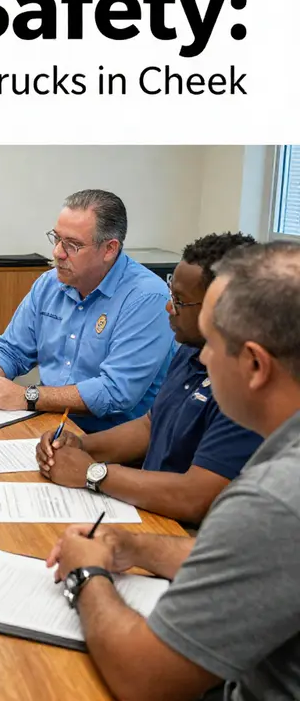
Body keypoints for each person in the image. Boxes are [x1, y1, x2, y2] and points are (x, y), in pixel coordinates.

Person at [46, 241, 300, 701]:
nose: (202, 360)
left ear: (256, 365)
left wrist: (87, 575)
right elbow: (247, 557)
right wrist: (134, 545)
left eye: (214, 347)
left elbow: (146, 679)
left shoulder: (276, 497)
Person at [36, 232, 262, 525]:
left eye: (180, 301)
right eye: (171, 295)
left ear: (223, 308)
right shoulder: (192, 349)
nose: (169, 308)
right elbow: (151, 426)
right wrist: (79, 446)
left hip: (185, 533)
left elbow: (195, 499)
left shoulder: (247, 387)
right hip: (145, 507)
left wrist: (94, 473)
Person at [0, 189, 174, 432]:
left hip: (112, 442)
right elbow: (11, 349)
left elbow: (115, 392)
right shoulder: (49, 283)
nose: (57, 253)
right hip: (49, 424)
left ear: (109, 249)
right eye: (56, 239)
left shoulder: (147, 297)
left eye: (73, 245)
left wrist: (29, 396)